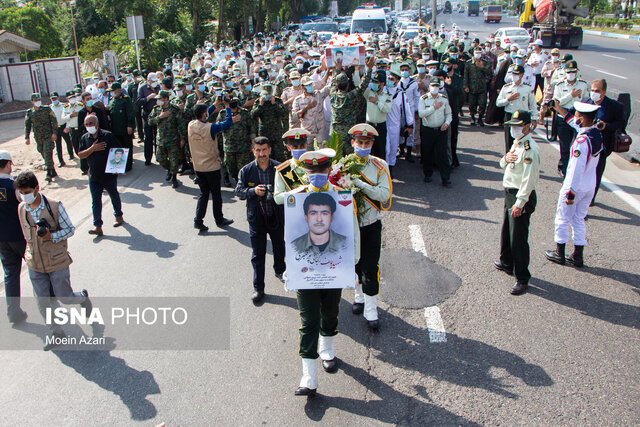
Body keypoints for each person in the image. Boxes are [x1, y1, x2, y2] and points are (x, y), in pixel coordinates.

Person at [290, 149, 360, 397]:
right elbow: (289, 237)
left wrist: (353, 266)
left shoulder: (341, 198)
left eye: (321, 171)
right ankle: (308, 377)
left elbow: (352, 232)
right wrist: (290, 269)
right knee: (308, 322)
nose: (316, 175)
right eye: (312, 172)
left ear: (329, 171)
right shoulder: (296, 199)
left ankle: (327, 347)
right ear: (305, 173)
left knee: (330, 313)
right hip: (305, 273)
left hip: (334, 270)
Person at [14, 171, 91, 351]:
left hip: (56, 261)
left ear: (37, 188)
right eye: (21, 192)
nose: (24, 196)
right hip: (35, 263)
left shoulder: (54, 207)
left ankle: (82, 297)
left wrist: (52, 236)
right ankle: (56, 332)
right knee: (42, 301)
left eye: (27, 191)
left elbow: (70, 230)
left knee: (65, 297)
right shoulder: (21, 209)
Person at [545, 101, 603, 268]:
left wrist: (570, 192)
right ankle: (578, 256)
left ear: (582, 118)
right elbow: (571, 120)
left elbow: (575, 169)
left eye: (577, 115)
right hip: (589, 185)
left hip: (575, 186)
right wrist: (557, 107)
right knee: (579, 219)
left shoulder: (581, 142)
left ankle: (559, 253)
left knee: (562, 218)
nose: (575, 117)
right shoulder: (595, 133)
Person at [347, 124, 392, 330]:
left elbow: (384, 195)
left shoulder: (380, 166)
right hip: (351, 225)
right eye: (359, 143)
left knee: (370, 266)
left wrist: (362, 185)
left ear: (372, 144)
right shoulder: (344, 165)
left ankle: (371, 309)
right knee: (354, 263)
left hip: (372, 224)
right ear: (352, 143)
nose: (363, 146)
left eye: (367, 143)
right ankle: (358, 297)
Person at [494, 111, 541, 296]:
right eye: (512, 126)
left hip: (521, 196)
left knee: (518, 238)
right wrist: (505, 159)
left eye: (518, 126)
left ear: (528, 126)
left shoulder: (530, 149)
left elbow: (528, 180)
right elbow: (502, 164)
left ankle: (522, 277)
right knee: (507, 231)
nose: (514, 129)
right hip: (510, 194)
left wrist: (520, 204)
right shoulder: (518, 143)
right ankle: (507, 262)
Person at [235, 137, 286, 304]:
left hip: (276, 216)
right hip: (256, 218)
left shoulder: (280, 168)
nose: (261, 153)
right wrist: (253, 191)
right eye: (258, 150)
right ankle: (259, 288)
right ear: (253, 151)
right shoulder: (246, 170)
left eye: (264, 149)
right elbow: (239, 191)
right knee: (258, 253)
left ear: (270, 149)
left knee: (279, 246)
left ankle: (280, 271)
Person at [187, 103, 235, 232]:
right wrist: (228, 108)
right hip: (211, 167)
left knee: (203, 194)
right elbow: (227, 123)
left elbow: (202, 115)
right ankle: (219, 219)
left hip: (198, 166)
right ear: (204, 114)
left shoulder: (191, 125)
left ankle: (198, 220)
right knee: (216, 195)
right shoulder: (211, 128)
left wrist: (214, 105)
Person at [77, 115, 124, 236]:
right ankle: (98, 226)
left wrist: (117, 168)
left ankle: (118, 215)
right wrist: (92, 149)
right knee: (96, 201)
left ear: (97, 124)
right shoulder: (85, 138)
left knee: (113, 195)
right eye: (87, 124)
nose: (89, 126)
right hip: (94, 176)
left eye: (91, 123)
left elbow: (119, 151)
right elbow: (81, 154)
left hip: (108, 174)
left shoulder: (107, 136)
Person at [585, 79, 625, 205]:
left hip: (602, 147)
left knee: (596, 174)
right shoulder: (586, 102)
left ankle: (589, 200)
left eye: (597, 91)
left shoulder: (614, 106)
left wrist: (606, 126)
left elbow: (621, 123)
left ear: (604, 92)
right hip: (584, 146)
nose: (594, 93)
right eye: (592, 90)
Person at [0, 151, 28, 323]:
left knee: (10, 274)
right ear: (9, 164)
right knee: (37, 271)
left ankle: (13, 312)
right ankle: (50, 310)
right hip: (20, 236)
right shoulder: (14, 185)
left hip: (2, 239)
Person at [550, 60, 588, 176]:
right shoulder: (559, 85)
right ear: (565, 72)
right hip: (563, 117)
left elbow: (586, 101)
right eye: (569, 72)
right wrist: (571, 95)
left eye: (573, 72)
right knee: (565, 146)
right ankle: (565, 169)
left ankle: (575, 169)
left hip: (577, 119)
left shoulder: (583, 85)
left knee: (577, 145)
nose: (571, 74)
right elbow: (556, 103)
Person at [329, 55, 375, 152]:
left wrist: (337, 69)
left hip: (335, 133)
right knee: (350, 159)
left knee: (336, 160)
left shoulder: (333, 95)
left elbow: (333, 83)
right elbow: (363, 85)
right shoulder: (351, 96)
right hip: (348, 133)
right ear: (348, 85)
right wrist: (369, 69)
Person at [496, 65, 538, 152]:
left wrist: (534, 118)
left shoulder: (528, 88)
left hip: (523, 117)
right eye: (513, 74)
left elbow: (533, 105)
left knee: (523, 141)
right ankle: (509, 160)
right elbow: (498, 103)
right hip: (510, 116)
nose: (514, 76)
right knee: (509, 141)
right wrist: (508, 99)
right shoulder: (506, 87)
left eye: (516, 74)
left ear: (522, 75)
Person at [149, 90, 186, 188]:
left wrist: (183, 139)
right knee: (160, 158)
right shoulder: (156, 109)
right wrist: (160, 117)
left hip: (173, 140)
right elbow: (150, 121)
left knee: (174, 160)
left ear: (166, 99)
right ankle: (170, 170)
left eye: (160, 99)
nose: (158, 101)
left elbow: (181, 125)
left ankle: (174, 177)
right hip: (160, 139)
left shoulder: (174, 109)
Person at [418, 77, 452, 186]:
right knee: (427, 152)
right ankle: (428, 174)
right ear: (429, 87)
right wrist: (433, 108)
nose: (435, 88)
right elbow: (421, 114)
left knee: (442, 154)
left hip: (441, 130)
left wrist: (446, 123)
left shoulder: (443, 98)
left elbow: (448, 114)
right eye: (433, 86)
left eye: (437, 86)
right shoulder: (423, 99)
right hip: (428, 130)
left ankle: (445, 177)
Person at [292, 192, 348, 256]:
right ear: (306, 217)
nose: (319, 219)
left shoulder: (346, 244)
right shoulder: (294, 247)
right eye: (313, 213)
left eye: (324, 213)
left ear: (332, 217)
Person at [217, 96, 256, 182]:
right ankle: (235, 178)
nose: (233, 102)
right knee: (230, 167)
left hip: (243, 146)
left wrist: (253, 142)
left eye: (234, 100)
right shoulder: (223, 113)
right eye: (231, 100)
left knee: (243, 168)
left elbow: (251, 128)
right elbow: (218, 128)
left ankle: (241, 183)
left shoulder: (244, 113)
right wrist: (230, 121)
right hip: (229, 146)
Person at [250, 83, 289, 162]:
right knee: (265, 155)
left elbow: (284, 113)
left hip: (276, 132)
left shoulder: (277, 101)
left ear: (271, 92)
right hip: (264, 132)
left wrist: (274, 104)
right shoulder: (258, 102)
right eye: (265, 94)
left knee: (279, 155)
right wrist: (260, 105)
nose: (267, 96)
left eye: (268, 93)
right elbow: (252, 115)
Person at [24, 93, 58, 182]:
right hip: (38, 137)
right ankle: (53, 170)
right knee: (42, 152)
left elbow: (54, 121)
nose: (37, 102)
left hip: (48, 136)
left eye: (39, 100)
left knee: (47, 152)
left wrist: (54, 133)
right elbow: (27, 125)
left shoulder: (47, 109)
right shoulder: (29, 112)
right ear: (32, 101)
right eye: (35, 100)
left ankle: (48, 173)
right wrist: (27, 137)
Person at [273, 128, 310, 205]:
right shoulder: (283, 169)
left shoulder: (315, 164)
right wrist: (297, 192)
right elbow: (277, 198)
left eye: (302, 146)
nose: (299, 149)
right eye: (295, 147)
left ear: (307, 145)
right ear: (288, 147)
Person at [363, 70, 393, 160]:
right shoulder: (369, 92)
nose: (374, 84)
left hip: (380, 126)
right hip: (369, 125)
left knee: (380, 151)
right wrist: (358, 70)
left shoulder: (387, 95)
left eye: (377, 82)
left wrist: (377, 102)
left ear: (382, 84)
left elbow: (387, 109)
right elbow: (358, 84)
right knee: (367, 151)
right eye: (374, 82)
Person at [107, 82, 136, 172]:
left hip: (124, 128)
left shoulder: (126, 100)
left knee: (127, 146)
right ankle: (119, 166)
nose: (111, 92)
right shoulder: (112, 99)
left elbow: (130, 113)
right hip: (115, 128)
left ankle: (128, 166)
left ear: (118, 90)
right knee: (118, 148)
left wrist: (130, 126)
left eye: (112, 91)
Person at [463, 47, 491, 126]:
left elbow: (489, 73)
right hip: (472, 87)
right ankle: (472, 117)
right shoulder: (468, 63)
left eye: (479, 52)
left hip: (482, 87)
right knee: (472, 104)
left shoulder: (485, 62)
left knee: (482, 104)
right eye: (476, 52)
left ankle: (480, 118)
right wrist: (466, 86)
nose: (478, 54)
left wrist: (482, 68)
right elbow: (466, 75)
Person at [137, 73, 160, 165]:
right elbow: (139, 102)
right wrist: (148, 98)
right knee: (148, 137)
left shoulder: (159, 87)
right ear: (148, 81)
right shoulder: (142, 88)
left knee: (158, 136)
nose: (155, 83)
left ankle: (158, 156)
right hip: (147, 114)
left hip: (158, 114)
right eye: (153, 81)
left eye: (155, 81)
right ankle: (148, 158)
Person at [49, 92, 74, 168]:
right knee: (58, 145)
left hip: (63, 126)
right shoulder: (50, 107)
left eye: (55, 98)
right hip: (56, 128)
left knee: (68, 141)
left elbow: (67, 117)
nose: (54, 100)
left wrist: (67, 127)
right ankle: (61, 161)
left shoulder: (64, 106)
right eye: (52, 99)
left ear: (58, 97)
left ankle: (71, 154)